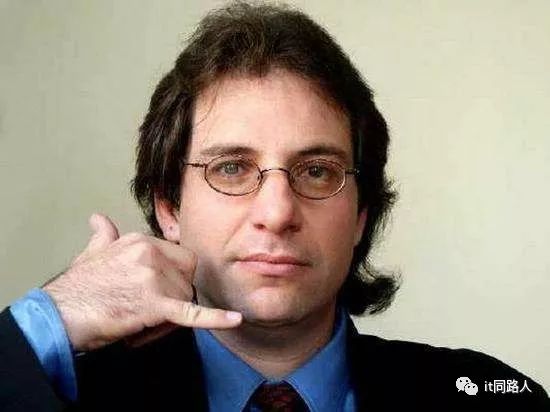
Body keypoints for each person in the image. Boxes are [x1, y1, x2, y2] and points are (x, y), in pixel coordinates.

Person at [0, 2, 548, 411]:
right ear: (169, 208)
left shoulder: (490, 394)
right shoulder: (72, 394)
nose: (278, 212)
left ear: (361, 215)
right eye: (231, 168)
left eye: (317, 171)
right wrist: (44, 323)